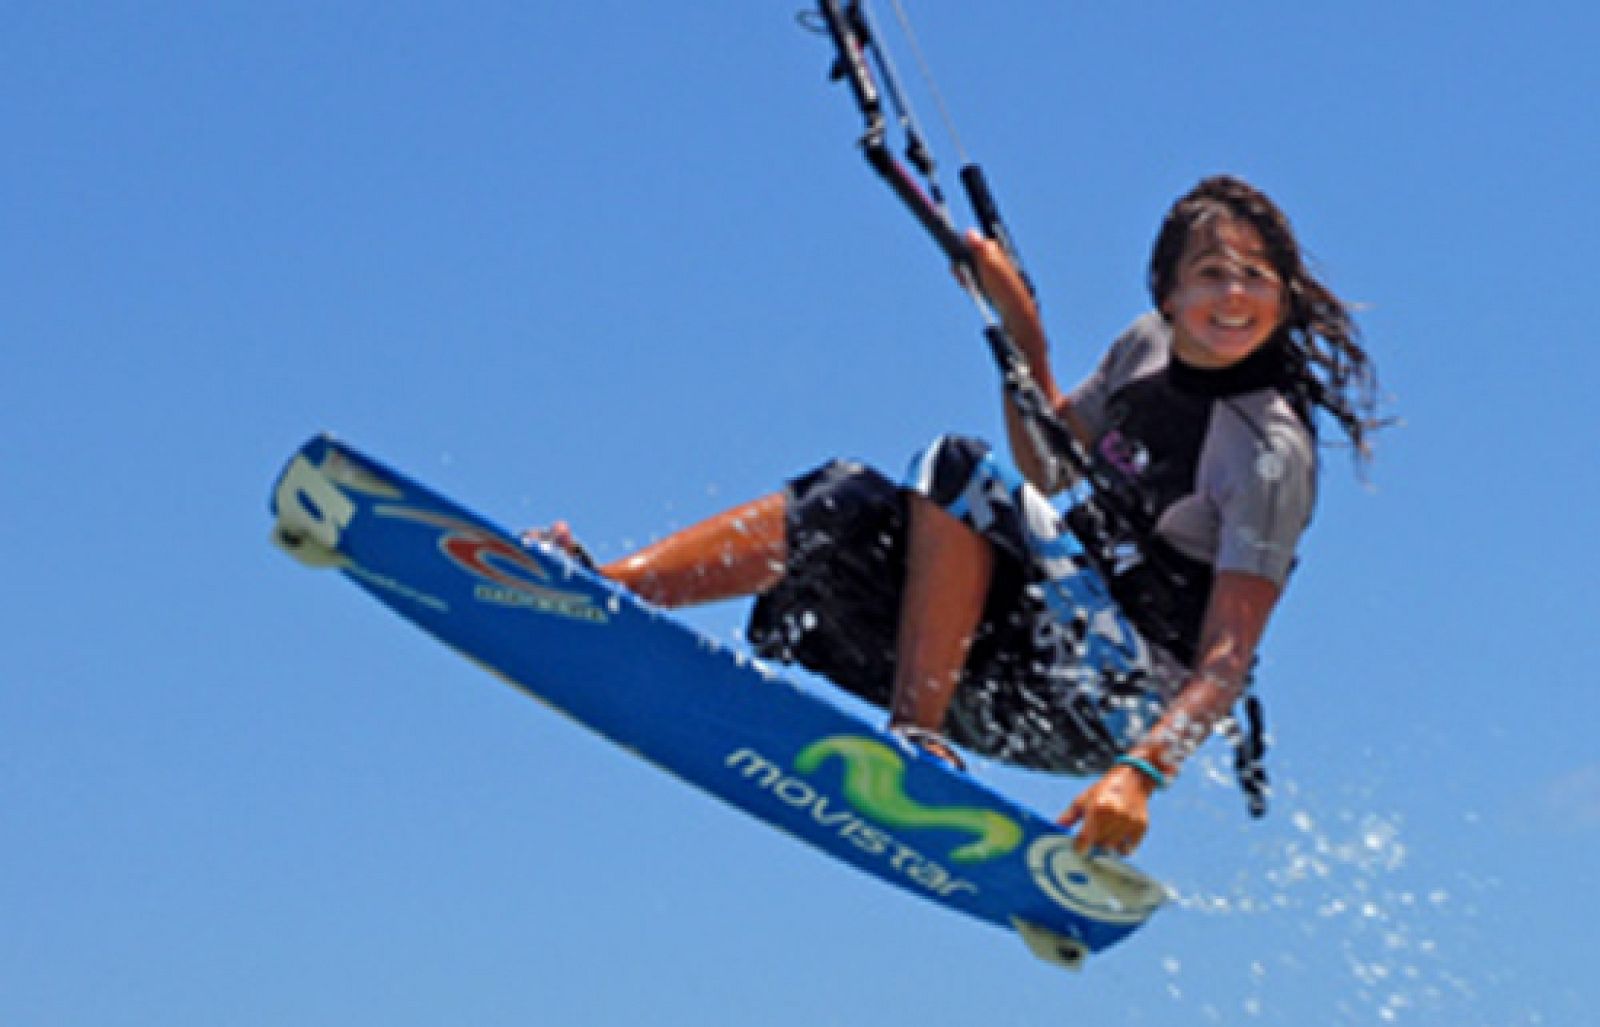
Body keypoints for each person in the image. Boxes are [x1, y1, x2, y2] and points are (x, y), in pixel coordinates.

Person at [531, 175, 1379, 857]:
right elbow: (1049, 463)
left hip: (1117, 700)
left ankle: (916, 740)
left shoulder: (1269, 450)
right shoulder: (1140, 348)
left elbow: (1227, 658)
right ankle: (608, 591)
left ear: (1285, 295)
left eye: (1256, 278)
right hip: (1025, 644)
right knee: (851, 500)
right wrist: (1023, 329)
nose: (1234, 296)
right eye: (1211, 275)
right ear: (1165, 291)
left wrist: (1140, 773)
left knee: (956, 467)